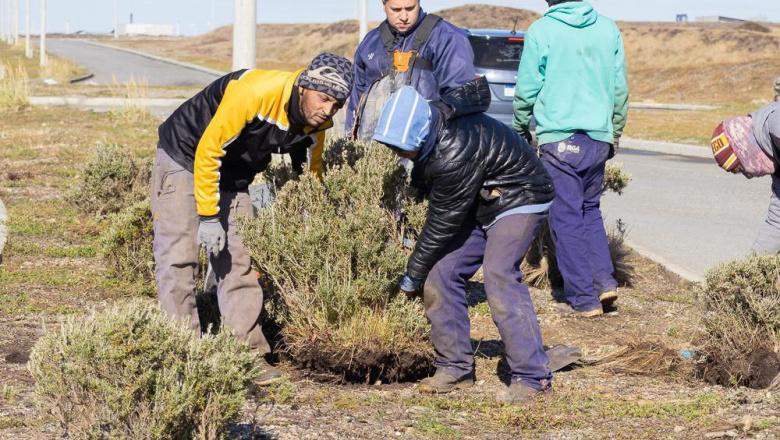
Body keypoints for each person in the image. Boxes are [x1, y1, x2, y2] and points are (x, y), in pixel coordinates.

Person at [151, 53, 354, 384]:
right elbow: (209, 150)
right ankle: (181, 356)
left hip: (235, 174)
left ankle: (246, 355)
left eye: (337, 105)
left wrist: (313, 224)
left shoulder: (318, 126)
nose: (327, 111)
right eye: (324, 98)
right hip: (186, 157)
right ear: (304, 87)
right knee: (179, 259)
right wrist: (209, 215)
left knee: (239, 262)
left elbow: (311, 178)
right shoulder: (257, 93)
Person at [373, 79, 556, 404]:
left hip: (520, 195)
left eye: (400, 148)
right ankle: (455, 368)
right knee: (441, 276)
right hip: (482, 198)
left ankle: (533, 378)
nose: (397, 155)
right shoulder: (434, 127)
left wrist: (410, 276)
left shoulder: (451, 152)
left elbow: (441, 223)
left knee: (499, 275)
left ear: (420, 134)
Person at [512, 0, 629, 317]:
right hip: (598, 138)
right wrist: (614, 132)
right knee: (589, 211)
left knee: (565, 219)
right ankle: (605, 282)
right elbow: (620, 88)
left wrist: (520, 125)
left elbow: (527, 88)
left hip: (560, 138)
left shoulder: (542, 30)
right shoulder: (607, 28)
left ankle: (583, 299)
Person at [346, 0, 475, 139]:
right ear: (384, 5)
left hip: (426, 148)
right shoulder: (370, 43)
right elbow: (356, 101)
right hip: (373, 146)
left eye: (410, 8)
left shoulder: (447, 37)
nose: (404, 17)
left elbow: (460, 97)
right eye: (396, 9)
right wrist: (349, 142)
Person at [711, 103, 780, 252]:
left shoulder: (777, 124)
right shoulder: (776, 156)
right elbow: (777, 221)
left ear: (745, 150)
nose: (749, 176)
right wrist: (749, 269)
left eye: (741, 169)